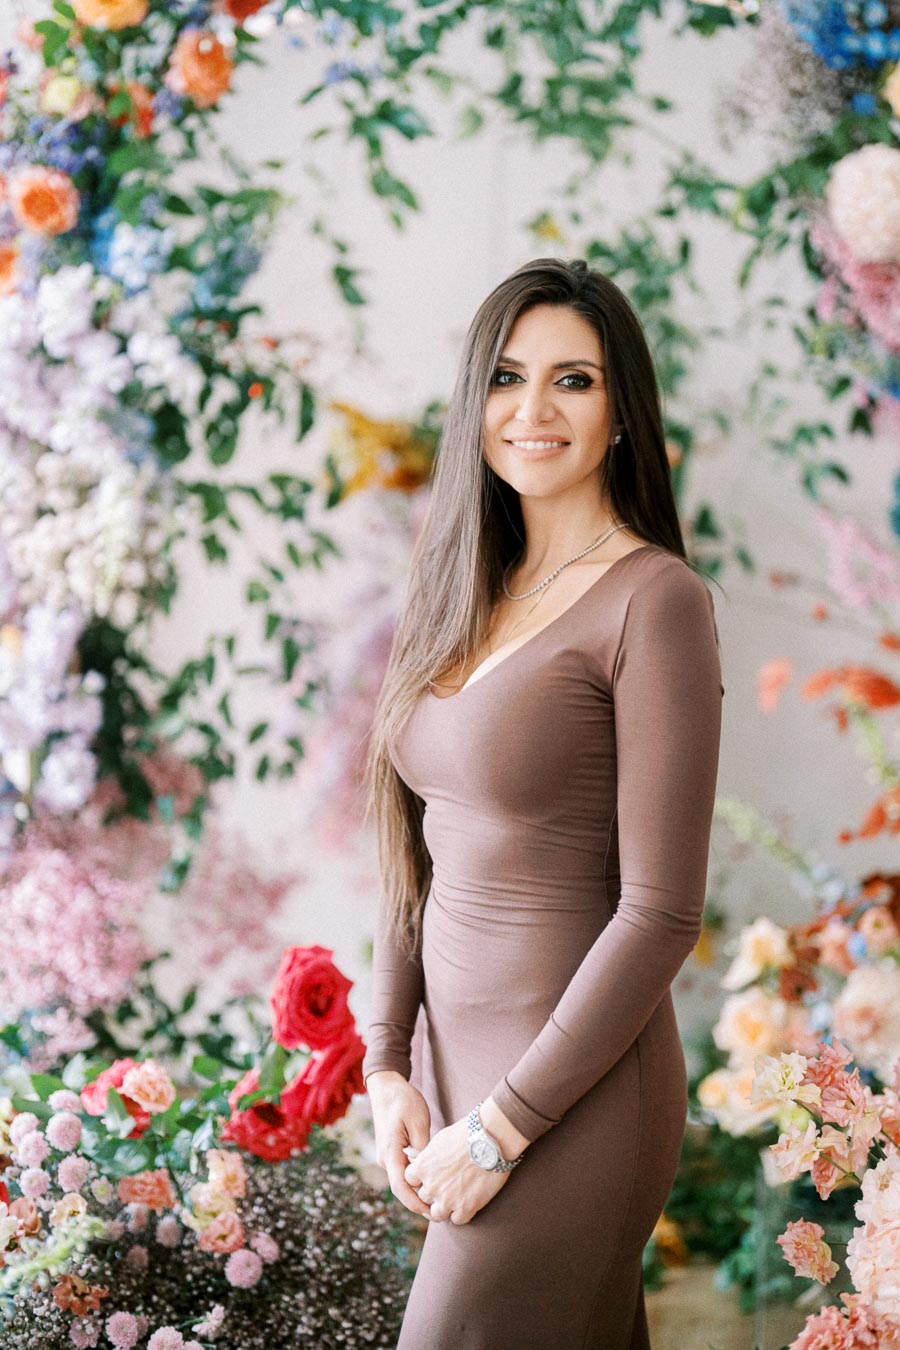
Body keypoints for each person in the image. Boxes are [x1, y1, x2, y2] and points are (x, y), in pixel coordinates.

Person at [360, 256, 724, 1350]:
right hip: (458, 1087)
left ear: (621, 412)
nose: (533, 410)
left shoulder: (656, 602)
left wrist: (503, 1129)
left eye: (574, 379)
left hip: (576, 1100)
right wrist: (386, 1064)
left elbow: (660, 912)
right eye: (508, 376)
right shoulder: (458, 588)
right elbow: (414, 853)